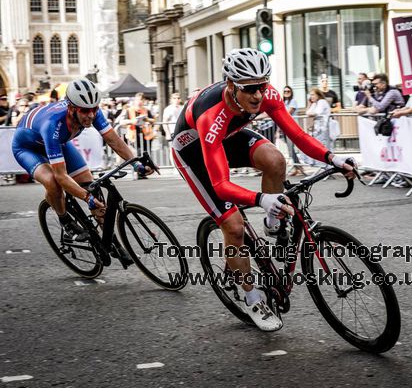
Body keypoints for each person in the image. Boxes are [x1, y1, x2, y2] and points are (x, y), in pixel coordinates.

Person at [171, 48, 354, 331]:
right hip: (195, 151)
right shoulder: (211, 114)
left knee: (275, 159)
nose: (258, 94)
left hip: (229, 136)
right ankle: (252, 297)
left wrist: (333, 158)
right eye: (250, 88)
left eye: (263, 85)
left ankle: (272, 225)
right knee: (233, 227)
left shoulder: (267, 95)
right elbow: (220, 185)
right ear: (231, 86)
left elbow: (298, 135)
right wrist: (261, 199)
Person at [11, 78, 152, 243]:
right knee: (53, 182)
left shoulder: (91, 112)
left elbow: (114, 140)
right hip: (27, 148)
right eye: (85, 111)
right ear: (71, 109)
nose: (91, 115)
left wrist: (136, 163)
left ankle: (109, 242)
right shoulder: (52, 124)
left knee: (91, 186)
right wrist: (86, 198)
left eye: (94, 109)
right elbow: (61, 176)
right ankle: (65, 221)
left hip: (59, 142)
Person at [281, 86, 304, 176]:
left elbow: (287, 113)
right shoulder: (284, 102)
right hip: (284, 127)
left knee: (291, 148)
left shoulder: (293, 101)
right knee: (290, 150)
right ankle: (297, 167)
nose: (286, 92)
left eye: (288, 91)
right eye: (285, 91)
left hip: (291, 127)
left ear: (291, 92)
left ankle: (299, 167)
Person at [305, 87, 333, 156]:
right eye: (310, 95)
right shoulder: (315, 103)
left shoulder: (322, 101)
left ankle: (328, 164)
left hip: (324, 128)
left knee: (325, 146)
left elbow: (317, 112)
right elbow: (308, 112)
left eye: (313, 95)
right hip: (318, 129)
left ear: (318, 95)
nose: (311, 97)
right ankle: (324, 164)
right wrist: (309, 104)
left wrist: (310, 113)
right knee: (320, 146)